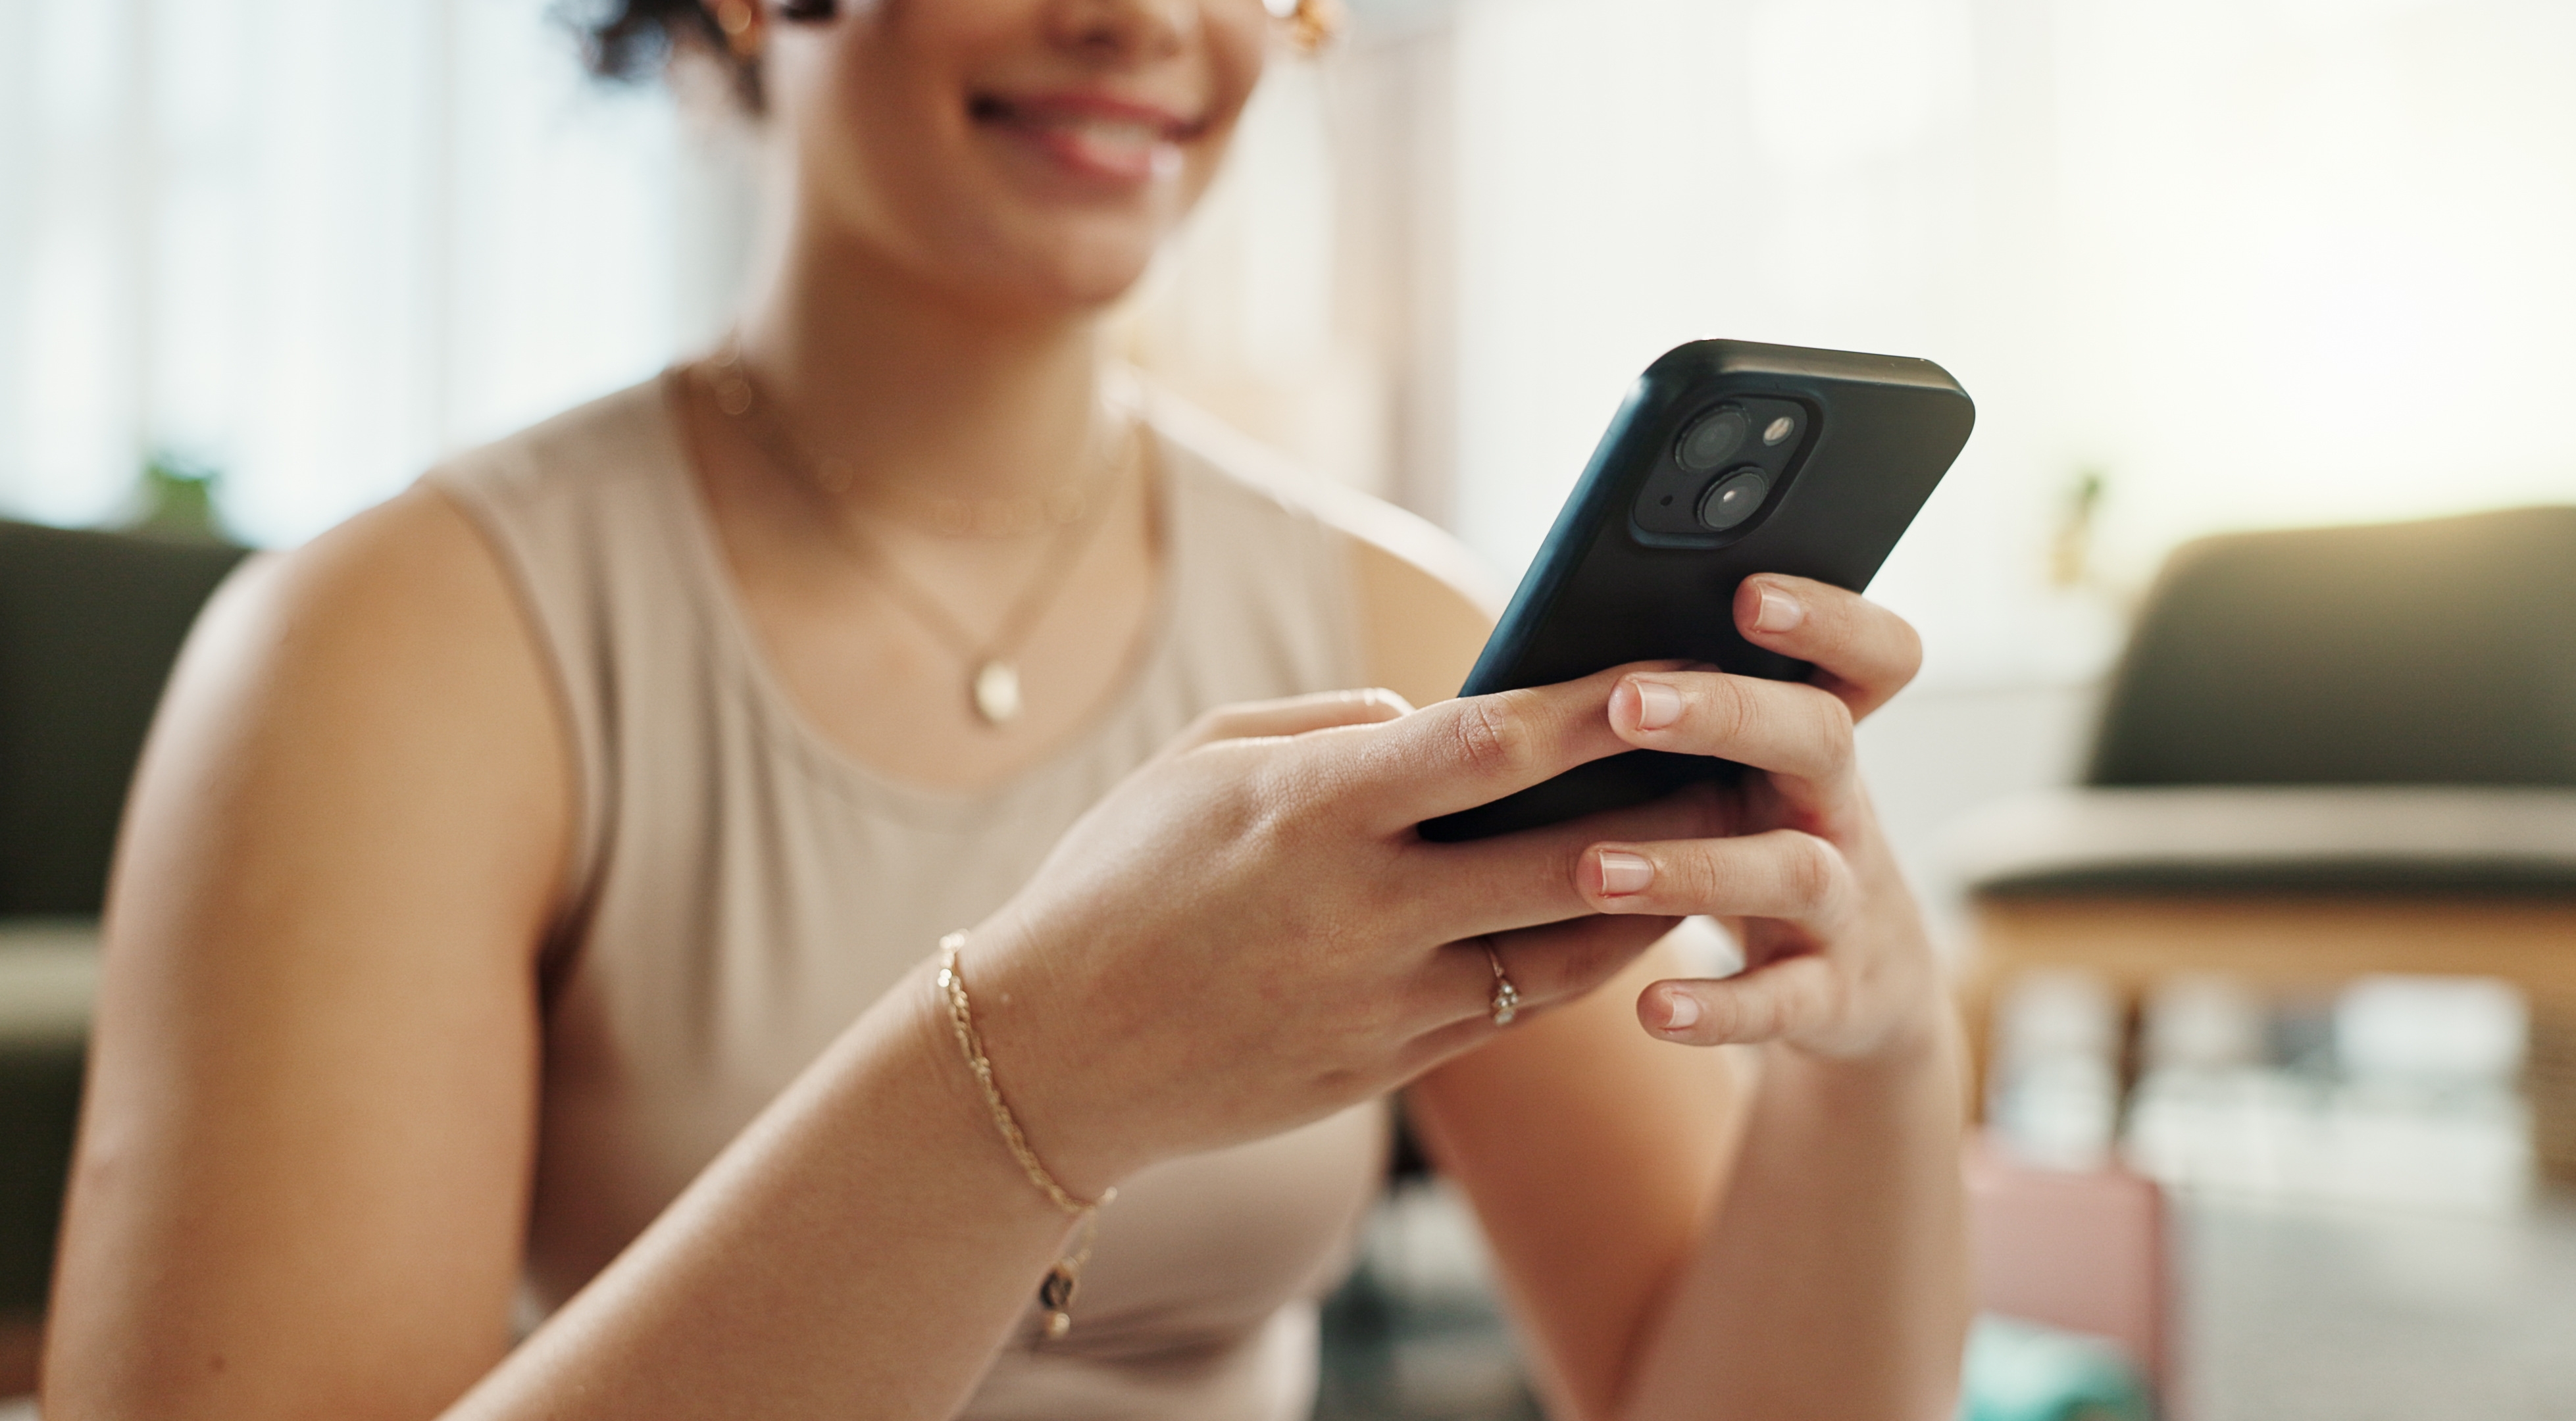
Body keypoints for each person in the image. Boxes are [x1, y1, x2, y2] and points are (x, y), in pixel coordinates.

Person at [39, 1, 1969, 1418]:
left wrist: (1880, 1058)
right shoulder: (391, 646)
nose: (1137, 21)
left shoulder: (1395, 617)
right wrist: (1031, 1074)